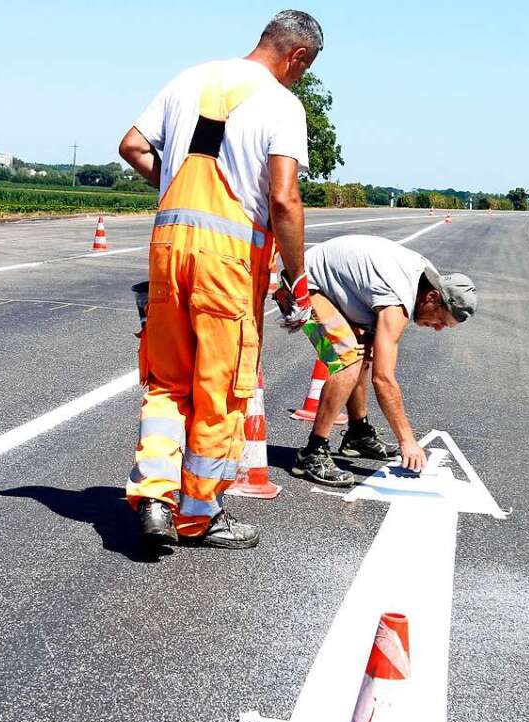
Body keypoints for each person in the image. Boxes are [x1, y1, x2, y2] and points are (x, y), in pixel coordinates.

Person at [118, 10, 324, 549]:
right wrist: (296, 278)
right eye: (304, 68)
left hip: (167, 249)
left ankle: (156, 499)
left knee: (166, 382)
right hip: (227, 261)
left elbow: (133, 146)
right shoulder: (282, 104)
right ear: (297, 56)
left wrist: (171, 187)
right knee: (220, 389)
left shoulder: (191, 78)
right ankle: (198, 515)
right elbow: (284, 198)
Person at [275, 234, 477, 486]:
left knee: (365, 350)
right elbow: (383, 380)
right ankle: (311, 454)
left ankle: (358, 434)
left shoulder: (428, 281)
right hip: (303, 284)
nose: (437, 329)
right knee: (348, 357)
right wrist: (407, 440)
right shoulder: (398, 299)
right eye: (440, 321)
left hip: (329, 284)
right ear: (433, 298)